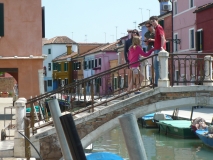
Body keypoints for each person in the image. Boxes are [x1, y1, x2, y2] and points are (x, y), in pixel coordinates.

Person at [149, 16, 166, 87]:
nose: (152, 23)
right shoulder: (156, 29)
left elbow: (162, 37)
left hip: (159, 49)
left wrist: (162, 47)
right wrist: (152, 40)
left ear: (157, 20)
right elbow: (159, 39)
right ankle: (156, 82)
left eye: (153, 21)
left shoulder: (159, 27)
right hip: (157, 49)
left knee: (157, 66)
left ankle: (157, 83)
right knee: (156, 66)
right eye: (151, 22)